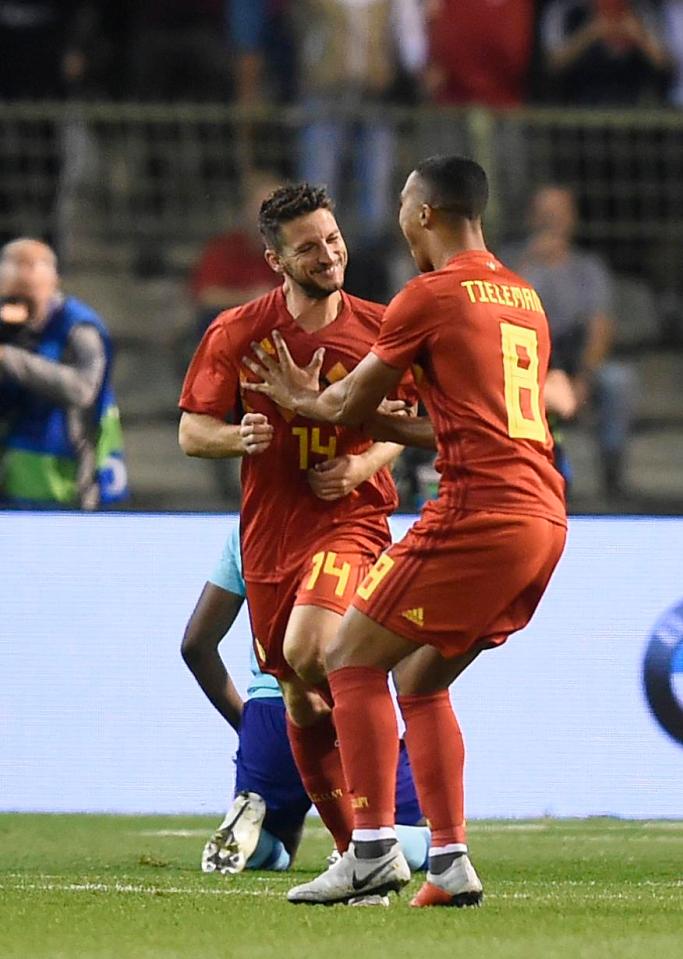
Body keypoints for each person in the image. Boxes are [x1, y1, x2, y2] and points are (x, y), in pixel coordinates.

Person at [242, 154, 567, 907]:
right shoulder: (523, 296)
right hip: (542, 517)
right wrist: (360, 415)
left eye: (399, 205)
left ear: (422, 212)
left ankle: (371, 848)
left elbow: (345, 404)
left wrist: (302, 395)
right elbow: (444, 424)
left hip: (478, 512)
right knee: (418, 678)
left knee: (345, 653)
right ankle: (449, 863)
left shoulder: (428, 294)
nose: (395, 218)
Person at [178, 182, 413, 861]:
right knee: (303, 700)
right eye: (308, 247)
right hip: (269, 538)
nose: (328, 254)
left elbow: (409, 424)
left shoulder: (380, 328)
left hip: (351, 523)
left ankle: (387, 812)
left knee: (317, 650)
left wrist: (362, 466)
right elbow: (193, 431)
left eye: (333, 240)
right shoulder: (238, 330)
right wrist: (239, 437)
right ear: (274, 259)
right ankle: (357, 854)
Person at [181, 522, 431, 875]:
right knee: (428, 835)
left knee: (277, 840)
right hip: (348, 705)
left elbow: (195, 645)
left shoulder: (248, 531)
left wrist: (248, 726)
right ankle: (366, 847)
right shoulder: (367, 531)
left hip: (271, 712)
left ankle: (254, 844)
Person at [503, 184, 636, 499]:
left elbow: (600, 326)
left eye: (559, 213)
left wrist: (584, 378)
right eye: (545, 213)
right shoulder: (510, 262)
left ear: (572, 219)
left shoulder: (588, 268)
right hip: (523, 363)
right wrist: (529, 261)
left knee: (618, 381)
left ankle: (612, 479)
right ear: (531, 217)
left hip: (576, 360)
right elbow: (498, 317)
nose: (552, 221)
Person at [0, 238, 127, 509]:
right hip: (16, 469)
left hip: (70, 474)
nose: (18, 303)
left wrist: (9, 358)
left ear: (52, 283)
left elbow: (83, 389)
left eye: (28, 293)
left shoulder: (79, 329)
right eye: (12, 293)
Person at [189, 172, 283, 337]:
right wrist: (250, 297)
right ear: (246, 209)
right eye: (262, 208)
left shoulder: (297, 251)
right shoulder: (223, 249)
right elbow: (206, 295)